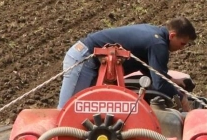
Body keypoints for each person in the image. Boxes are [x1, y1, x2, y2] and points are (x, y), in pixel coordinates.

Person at [58, 18, 196, 108]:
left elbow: (150, 70)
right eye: (182, 43)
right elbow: (159, 84)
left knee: (86, 108)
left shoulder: (154, 35)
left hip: (90, 60)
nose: (181, 48)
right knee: (69, 110)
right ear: (172, 35)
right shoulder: (158, 44)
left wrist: (174, 81)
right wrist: (181, 97)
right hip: (84, 58)